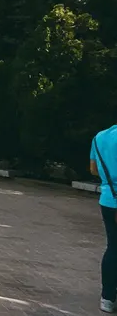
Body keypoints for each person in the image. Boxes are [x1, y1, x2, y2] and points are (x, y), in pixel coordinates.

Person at [91, 124, 117, 313]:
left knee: (113, 247)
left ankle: (107, 297)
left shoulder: (100, 137)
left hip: (108, 199)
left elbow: (93, 168)